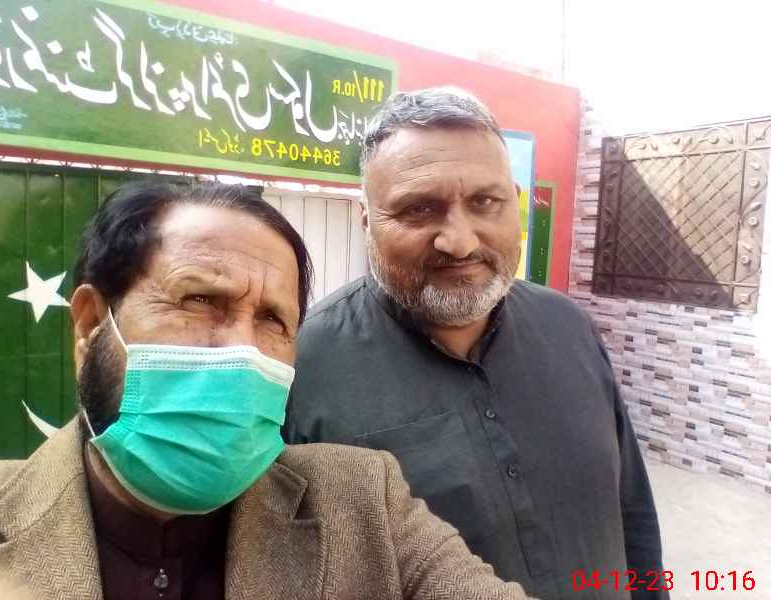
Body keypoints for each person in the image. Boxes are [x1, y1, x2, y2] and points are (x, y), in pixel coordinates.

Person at [0, 183, 531, 600]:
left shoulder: (366, 507)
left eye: (271, 320)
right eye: (200, 301)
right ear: (91, 325)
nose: (242, 350)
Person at [284, 87, 668, 600]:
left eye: (485, 202)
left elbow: (632, 512)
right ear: (367, 220)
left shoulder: (569, 327)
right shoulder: (303, 367)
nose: (459, 241)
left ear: (515, 203)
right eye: (419, 209)